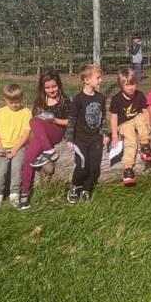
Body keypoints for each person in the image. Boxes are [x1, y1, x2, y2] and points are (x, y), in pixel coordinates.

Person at [19, 70, 70, 210]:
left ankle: (49, 151)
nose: (51, 90)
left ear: (59, 85)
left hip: (57, 132)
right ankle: (24, 193)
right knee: (29, 157)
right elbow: (37, 124)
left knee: (34, 120)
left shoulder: (64, 100)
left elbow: (70, 122)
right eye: (47, 87)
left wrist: (54, 120)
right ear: (42, 88)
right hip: (41, 135)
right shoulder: (39, 101)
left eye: (54, 86)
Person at [65, 64, 108, 203]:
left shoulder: (101, 98)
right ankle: (75, 187)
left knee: (94, 166)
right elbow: (72, 119)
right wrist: (70, 138)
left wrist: (105, 134)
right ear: (87, 80)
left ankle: (86, 189)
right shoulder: (78, 99)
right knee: (83, 166)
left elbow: (103, 118)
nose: (101, 80)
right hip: (80, 139)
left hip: (95, 138)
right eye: (98, 78)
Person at [109, 67, 151, 186]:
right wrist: (114, 135)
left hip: (136, 118)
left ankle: (145, 146)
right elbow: (113, 118)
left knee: (140, 119)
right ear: (121, 86)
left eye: (133, 84)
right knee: (131, 140)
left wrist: (148, 124)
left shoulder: (139, 95)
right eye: (127, 85)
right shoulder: (116, 99)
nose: (131, 87)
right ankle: (128, 168)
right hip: (124, 123)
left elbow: (145, 111)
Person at [0, 84, 31, 209]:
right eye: (11, 102)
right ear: (4, 99)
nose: (14, 105)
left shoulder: (26, 112)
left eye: (17, 102)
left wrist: (15, 149)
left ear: (22, 98)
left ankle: (14, 194)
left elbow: (26, 133)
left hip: (18, 146)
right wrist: (0, 148)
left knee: (17, 167)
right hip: (2, 146)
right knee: (0, 169)